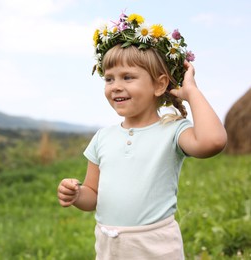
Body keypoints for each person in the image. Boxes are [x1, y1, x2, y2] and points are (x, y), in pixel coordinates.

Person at [57, 11, 227, 259]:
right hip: (109, 245)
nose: (116, 86)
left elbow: (213, 141)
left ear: (159, 85)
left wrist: (191, 93)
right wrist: (77, 194)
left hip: (156, 245)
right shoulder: (102, 138)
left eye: (128, 77)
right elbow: (92, 197)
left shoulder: (172, 131)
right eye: (109, 78)